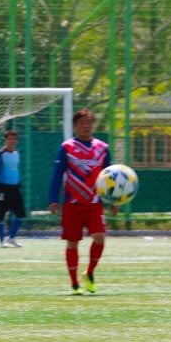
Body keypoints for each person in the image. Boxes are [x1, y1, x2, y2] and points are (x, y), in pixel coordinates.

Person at [48, 109, 117, 295]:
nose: (86, 125)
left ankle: (90, 272)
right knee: (72, 242)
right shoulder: (67, 147)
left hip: (95, 203)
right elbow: (57, 174)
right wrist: (53, 199)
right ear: (75, 126)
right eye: (81, 123)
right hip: (72, 203)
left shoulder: (102, 148)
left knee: (100, 238)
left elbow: (110, 176)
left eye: (89, 122)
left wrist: (113, 199)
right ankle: (74, 284)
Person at [0, 129, 26, 248]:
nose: (12, 141)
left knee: (20, 214)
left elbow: (15, 170)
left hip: (15, 188)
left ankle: (11, 237)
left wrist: (19, 184)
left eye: (14, 139)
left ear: (17, 140)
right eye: (10, 139)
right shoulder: (0, 153)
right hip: (1, 188)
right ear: (5, 140)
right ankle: (1, 241)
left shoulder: (17, 153)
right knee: (1, 214)